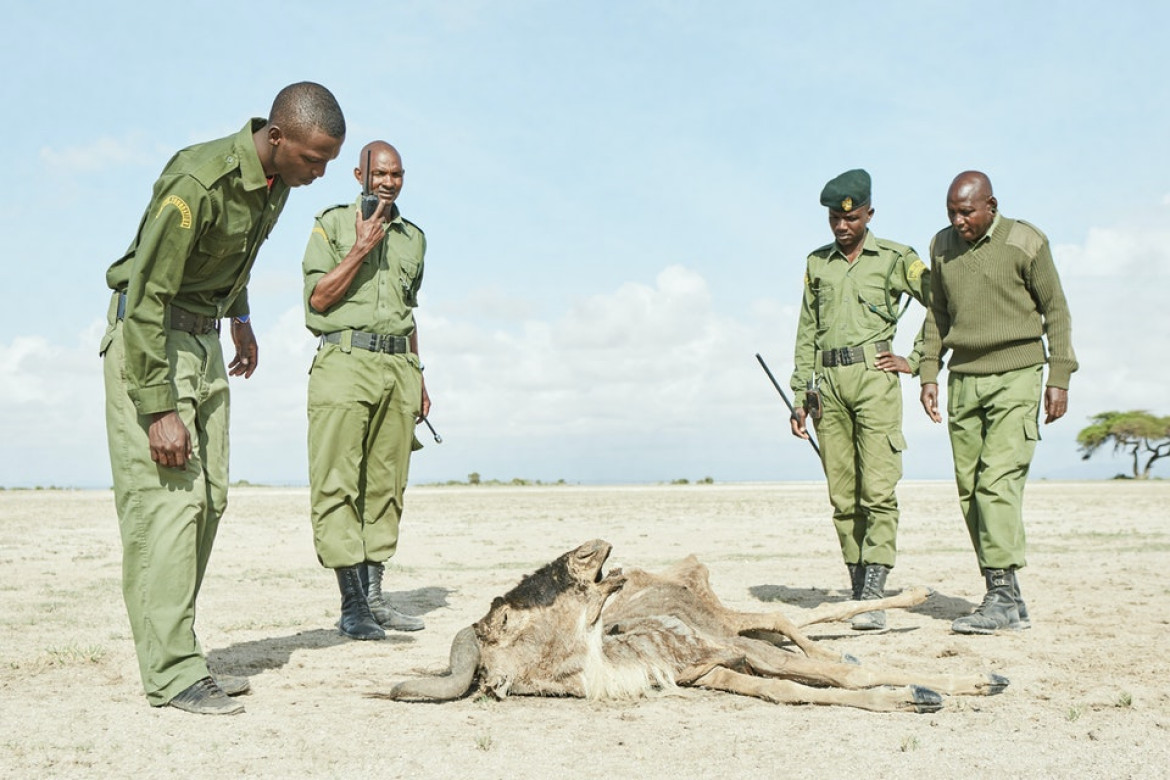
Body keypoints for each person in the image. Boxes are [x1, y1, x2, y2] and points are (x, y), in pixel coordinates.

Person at [100, 82, 345, 715]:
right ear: (278, 136)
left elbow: (233, 257)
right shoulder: (198, 181)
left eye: (326, 164)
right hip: (153, 343)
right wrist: (157, 407)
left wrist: (239, 317)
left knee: (208, 503)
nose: (318, 174)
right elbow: (148, 293)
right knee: (168, 511)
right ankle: (173, 673)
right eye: (312, 159)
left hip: (204, 341)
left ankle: (180, 654)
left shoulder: (278, 183)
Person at [919, 170, 1076, 634]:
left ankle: (1002, 598)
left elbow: (1057, 310)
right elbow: (937, 313)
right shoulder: (941, 245)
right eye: (951, 211)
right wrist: (929, 369)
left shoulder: (1026, 241)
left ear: (991, 205)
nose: (958, 220)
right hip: (963, 379)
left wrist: (1059, 375)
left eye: (966, 211)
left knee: (996, 483)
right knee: (970, 490)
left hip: (1017, 375)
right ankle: (1006, 595)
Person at [789, 169, 931, 631]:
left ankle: (874, 589)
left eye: (850, 218)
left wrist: (918, 359)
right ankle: (857, 585)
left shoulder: (895, 259)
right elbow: (807, 331)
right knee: (842, 494)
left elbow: (941, 301)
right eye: (834, 218)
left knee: (877, 490)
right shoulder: (817, 264)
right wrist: (800, 395)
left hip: (875, 378)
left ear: (869, 213)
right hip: (827, 384)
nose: (842, 226)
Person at [302, 141, 429, 641]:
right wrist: (360, 248)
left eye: (397, 174)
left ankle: (376, 598)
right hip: (344, 360)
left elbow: (409, 310)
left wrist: (419, 375)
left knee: (386, 484)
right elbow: (316, 301)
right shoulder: (331, 224)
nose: (388, 181)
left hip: (399, 365)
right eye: (379, 172)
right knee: (337, 483)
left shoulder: (414, 237)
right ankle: (352, 604)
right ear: (359, 174)